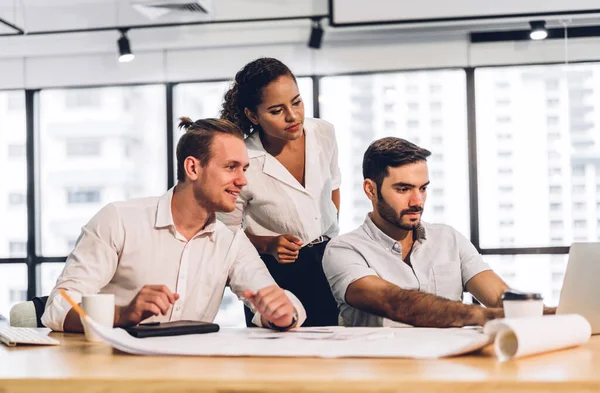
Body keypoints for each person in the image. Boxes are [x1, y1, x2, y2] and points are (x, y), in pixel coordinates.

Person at [42, 118, 306, 332]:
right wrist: (122, 314)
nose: (242, 180)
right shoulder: (118, 220)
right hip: (114, 374)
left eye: (244, 169)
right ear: (192, 168)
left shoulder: (232, 241)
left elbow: (274, 299)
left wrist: (283, 314)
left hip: (188, 376)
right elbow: (59, 309)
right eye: (231, 167)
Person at [323, 137, 511, 328]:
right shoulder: (343, 249)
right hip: (385, 357)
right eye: (403, 189)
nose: (417, 201)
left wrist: (538, 315)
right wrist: (486, 317)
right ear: (371, 190)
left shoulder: (449, 239)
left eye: (423, 188)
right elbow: (394, 303)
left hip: (450, 357)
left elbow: (500, 297)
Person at [218, 57, 340, 327]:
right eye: (276, 110)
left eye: (296, 102)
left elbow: (333, 187)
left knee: (334, 350)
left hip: (330, 259)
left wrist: (329, 233)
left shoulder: (324, 132)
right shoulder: (242, 159)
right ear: (253, 115)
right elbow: (226, 234)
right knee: (277, 358)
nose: (293, 116)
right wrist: (267, 244)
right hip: (274, 271)